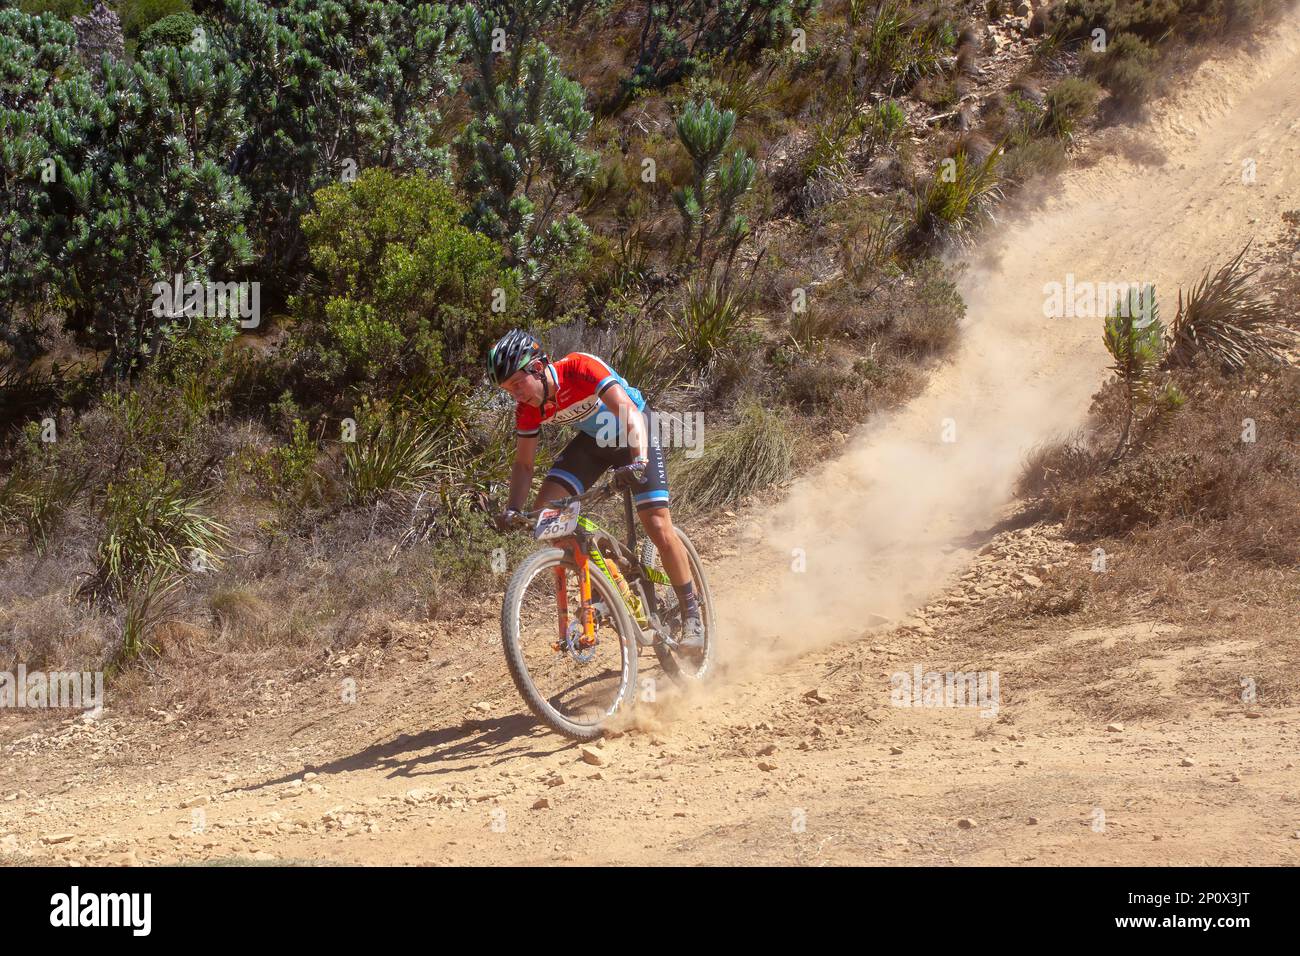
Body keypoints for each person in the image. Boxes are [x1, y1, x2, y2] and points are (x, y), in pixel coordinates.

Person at [487, 329, 704, 648]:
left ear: (537, 367)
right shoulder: (528, 408)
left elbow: (629, 412)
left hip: (634, 429)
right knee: (548, 518)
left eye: (518, 383)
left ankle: (692, 615)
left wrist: (639, 461)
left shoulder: (579, 368)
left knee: (656, 523)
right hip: (594, 443)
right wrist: (513, 510)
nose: (516, 395)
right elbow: (523, 466)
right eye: (508, 390)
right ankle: (611, 587)